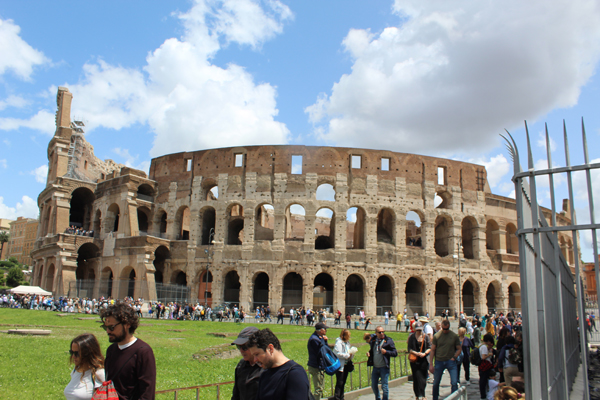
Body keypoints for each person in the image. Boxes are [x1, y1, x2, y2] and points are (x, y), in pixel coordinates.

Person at [101, 302, 156, 400]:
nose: (108, 331)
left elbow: (147, 394)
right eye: (105, 327)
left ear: (127, 325)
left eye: (111, 327)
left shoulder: (143, 352)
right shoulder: (111, 350)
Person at [247, 328, 310, 400]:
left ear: (270, 348)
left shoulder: (295, 374)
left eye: (257, 354)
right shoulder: (265, 375)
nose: (255, 360)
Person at [64, 333, 105, 400]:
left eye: (77, 353)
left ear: (88, 353)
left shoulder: (100, 374)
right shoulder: (76, 370)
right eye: (71, 352)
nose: (73, 356)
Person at [429, 319, 461, 400]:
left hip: (450, 362)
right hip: (439, 361)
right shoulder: (437, 336)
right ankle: (435, 398)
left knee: (454, 382)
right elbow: (432, 350)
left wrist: (454, 357)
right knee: (436, 382)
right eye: (444, 329)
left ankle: (454, 398)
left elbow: (459, 349)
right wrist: (431, 364)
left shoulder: (454, 336)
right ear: (441, 327)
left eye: (447, 329)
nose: (445, 331)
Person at [366, 326, 398, 400]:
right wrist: (369, 353)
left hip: (384, 367)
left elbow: (395, 353)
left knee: (384, 386)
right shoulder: (374, 341)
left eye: (383, 332)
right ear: (376, 333)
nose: (382, 333)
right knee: (373, 385)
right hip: (375, 367)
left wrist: (386, 352)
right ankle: (378, 398)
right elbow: (372, 350)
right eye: (379, 332)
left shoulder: (388, 340)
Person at [231, 327, 263, 400]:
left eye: (245, 347)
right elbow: (236, 395)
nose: (241, 351)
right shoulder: (241, 365)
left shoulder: (268, 367)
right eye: (239, 347)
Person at [407, 322, 431, 400]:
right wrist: (416, 353)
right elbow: (409, 349)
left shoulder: (426, 337)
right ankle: (417, 395)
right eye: (417, 330)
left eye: (420, 330)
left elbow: (429, 347)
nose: (419, 331)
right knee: (416, 377)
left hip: (423, 359)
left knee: (423, 377)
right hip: (414, 360)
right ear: (415, 329)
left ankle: (423, 394)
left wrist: (424, 353)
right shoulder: (412, 337)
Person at [307, 322, 329, 400]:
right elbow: (322, 351)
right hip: (315, 366)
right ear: (320, 330)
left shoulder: (318, 338)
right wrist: (324, 341)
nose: (326, 330)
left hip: (319, 366)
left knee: (321, 387)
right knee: (318, 389)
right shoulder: (314, 339)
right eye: (325, 329)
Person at [333, 329, 353, 400]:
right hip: (340, 365)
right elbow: (337, 353)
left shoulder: (347, 342)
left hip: (346, 365)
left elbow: (348, 351)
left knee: (343, 382)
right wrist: (347, 355)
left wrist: (351, 354)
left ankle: (342, 397)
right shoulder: (339, 342)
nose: (349, 337)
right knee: (340, 382)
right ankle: (337, 397)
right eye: (348, 335)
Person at [479, 333, 496, 400]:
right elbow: (483, 357)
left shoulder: (482, 346)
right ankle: (483, 395)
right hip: (485, 366)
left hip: (485, 366)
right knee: (483, 380)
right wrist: (489, 354)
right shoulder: (484, 347)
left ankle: (485, 394)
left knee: (484, 380)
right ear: (488, 341)